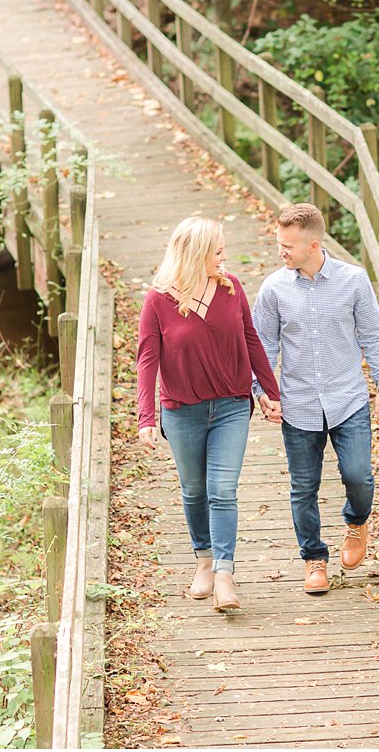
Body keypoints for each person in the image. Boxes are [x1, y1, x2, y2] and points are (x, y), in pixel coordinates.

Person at [135, 216, 280, 612]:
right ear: (197, 254)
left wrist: (270, 390)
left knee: (222, 490)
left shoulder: (231, 289)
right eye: (218, 251)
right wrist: (145, 417)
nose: (224, 256)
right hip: (182, 411)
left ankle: (224, 573)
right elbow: (147, 360)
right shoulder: (158, 300)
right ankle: (202, 559)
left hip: (232, 405)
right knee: (194, 489)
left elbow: (251, 339)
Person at [251, 203, 379, 595]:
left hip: (347, 398)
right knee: (303, 487)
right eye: (279, 244)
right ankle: (314, 559)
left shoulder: (354, 280)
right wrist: (263, 391)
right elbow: (262, 346)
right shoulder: (273, 288)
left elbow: (374, 336)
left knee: (358, 476)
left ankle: (357, 521)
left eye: (288, 246)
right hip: (298, 403)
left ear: (314, 245)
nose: (281, 252)